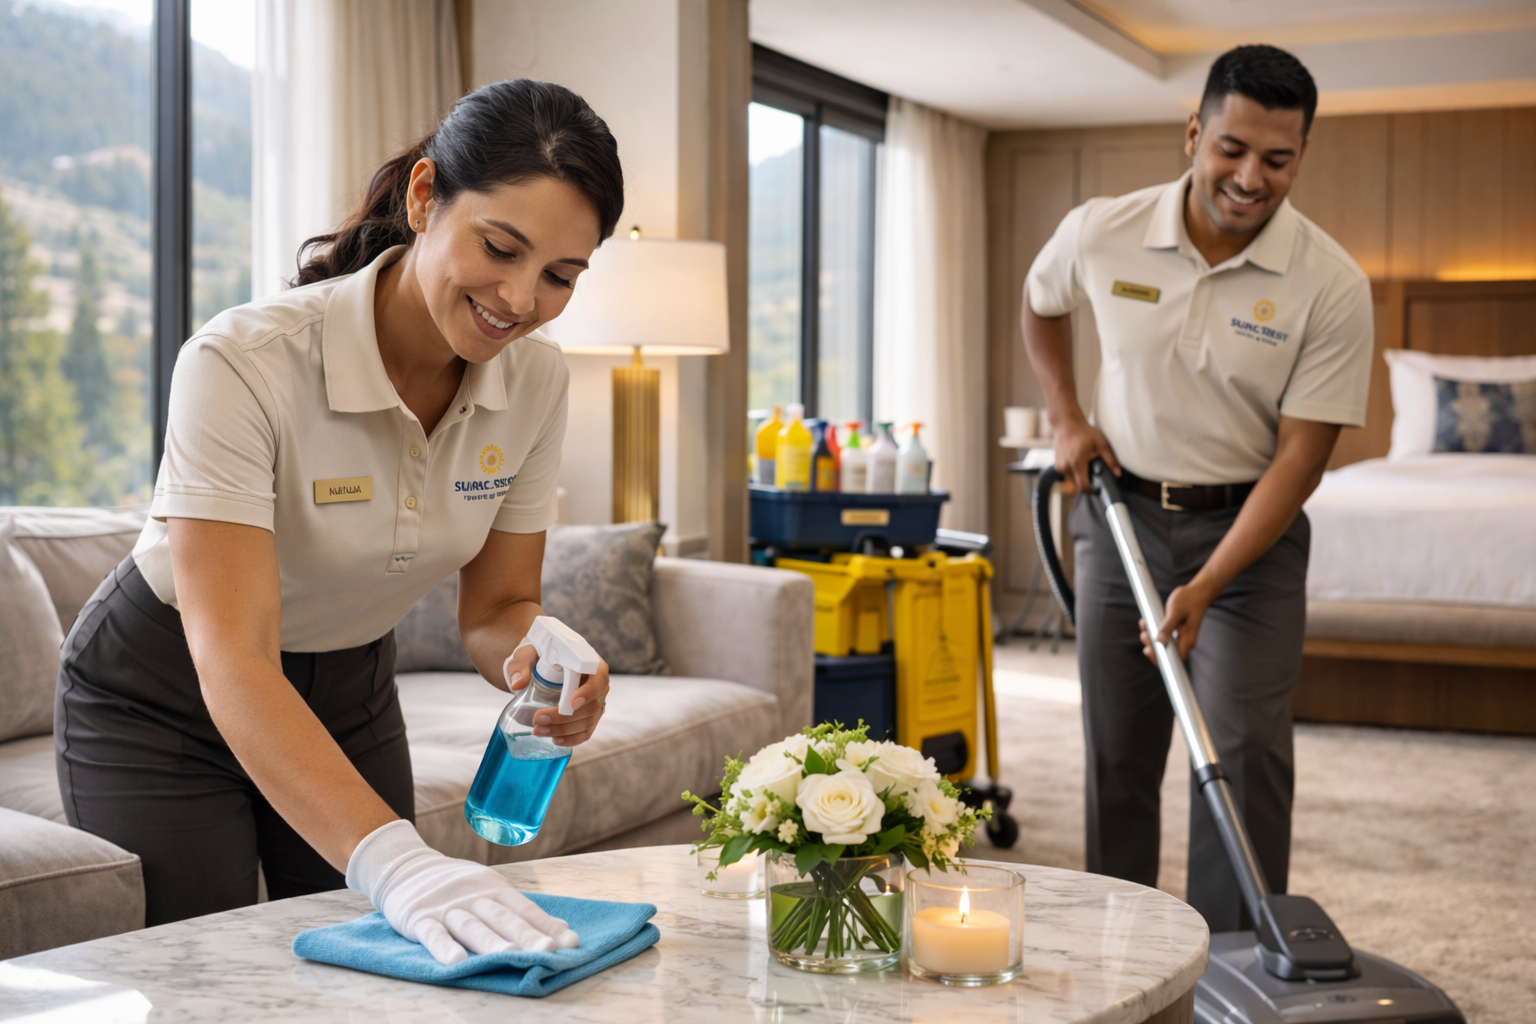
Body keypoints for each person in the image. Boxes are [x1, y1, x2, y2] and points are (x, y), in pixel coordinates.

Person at [54, 79, 624, 965]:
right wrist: (401, 863)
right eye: (500, 248)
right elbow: (234, 653)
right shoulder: (241, 362)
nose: (519, 298)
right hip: (163, 691)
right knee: (210, 972)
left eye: (559, 276)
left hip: (349, 683)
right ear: (426, 196)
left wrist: (540, 650)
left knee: (379, 976)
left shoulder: (538, 381)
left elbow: (496, 608)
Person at [1021, 46, 1373, 930]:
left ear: (1301, 157)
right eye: (1232, 149)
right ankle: (1130, 953)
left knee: (1244, 757)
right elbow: (1041, 300)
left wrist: (1209, 583)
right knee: (1118, 753)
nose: (1251, 178)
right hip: (1120, 519)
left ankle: (1231, 966)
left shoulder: (1330, 285)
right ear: (1194, 134)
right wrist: (1066, 415)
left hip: (1250, 538)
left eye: (1278, 159)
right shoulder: (1104, 229)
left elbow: (1302, 458)